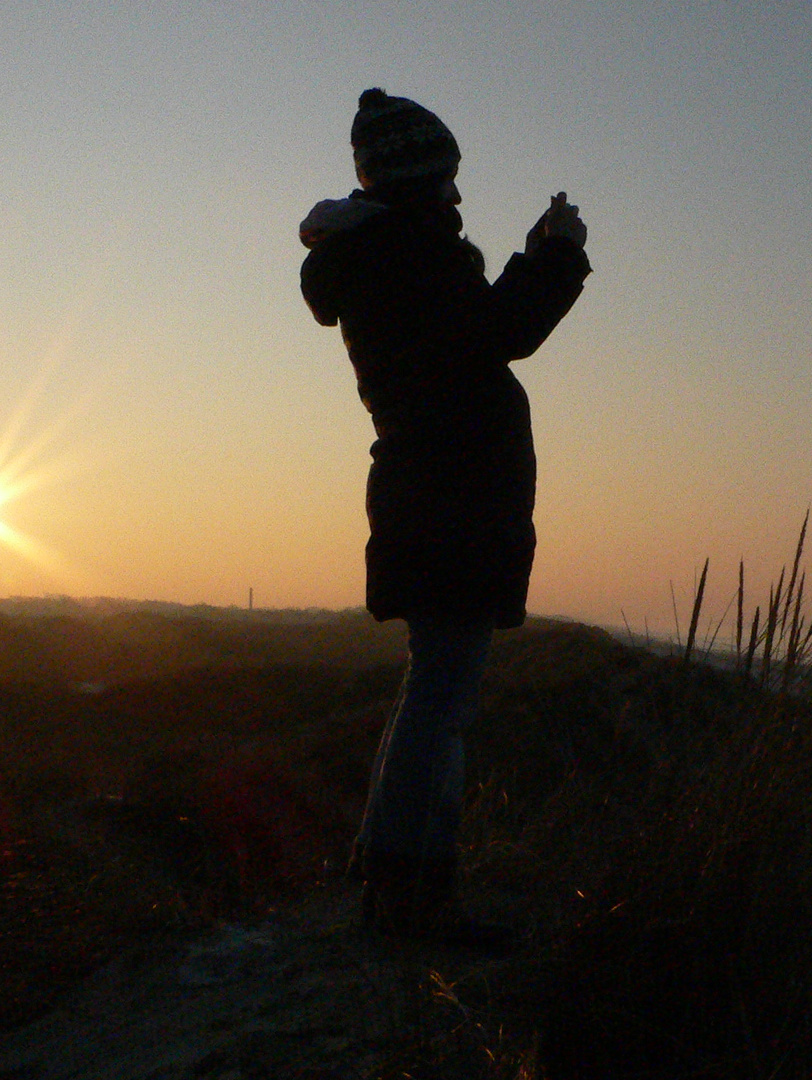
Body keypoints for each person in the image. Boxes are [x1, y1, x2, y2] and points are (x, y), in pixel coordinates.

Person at [300, 88, 590, 942]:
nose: (458, 195)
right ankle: (407, 893)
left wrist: (536, 260)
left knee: (433, 689)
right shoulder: (405, 252)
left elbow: (475, 335)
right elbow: (498, 331)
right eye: (447, 179)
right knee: (442, 697)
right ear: (418, 181)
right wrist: (558, 256)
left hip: (434, 495)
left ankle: (397, 873)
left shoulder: (389, 252)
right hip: (452, 499)